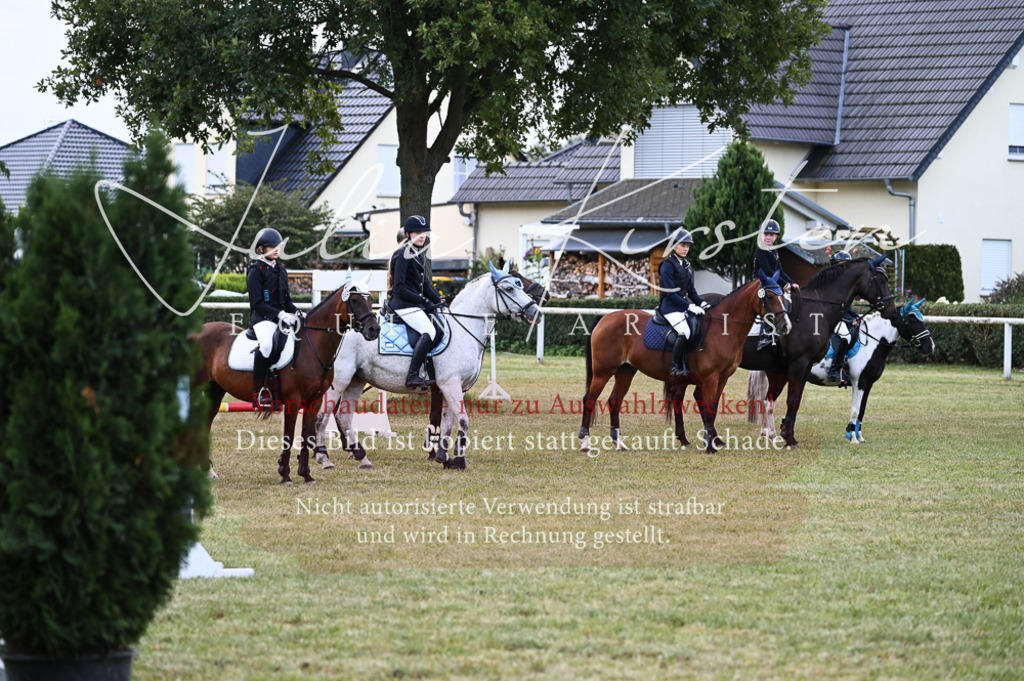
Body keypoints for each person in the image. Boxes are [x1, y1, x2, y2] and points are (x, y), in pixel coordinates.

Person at [246, 227, 300, 410]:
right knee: (267, 345)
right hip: (262, 319)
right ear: (261, 249)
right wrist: (280, 314)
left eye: (277, 246)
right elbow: (257, 303)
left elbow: (287, 301)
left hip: (281, 319)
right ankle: (258, 391)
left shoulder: (281, 270)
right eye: (271, 247)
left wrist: (298, 313)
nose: (276, 249)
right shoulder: (256, 270)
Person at [388, 215, 444, 390]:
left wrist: (439, 299)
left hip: (414, 304)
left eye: (424, 233)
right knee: (429, 330)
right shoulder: (402, 254)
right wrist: (423, 301)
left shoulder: (418, 254)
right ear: (408, 234)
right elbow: (400, 288)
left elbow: (425, 284)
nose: (422, 236)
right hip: (403, 305)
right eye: (418, 233)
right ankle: (412, 376)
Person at [658, 228, 710, 376]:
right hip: (669, 307)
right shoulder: (667, 265)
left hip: (682, 306)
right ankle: (675, 367)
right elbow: (670, 292)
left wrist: (702, 303)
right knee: (685, 331)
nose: (686, 248)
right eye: (683, 245)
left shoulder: (687, 266)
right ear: (674, 246)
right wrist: (689, 306)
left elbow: (691, 291)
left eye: (687, 246)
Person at [752, 219, 797, 350]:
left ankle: (780, 329)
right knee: (769, 302)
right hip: (761, 282)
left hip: (772, 283)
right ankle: (765, 335)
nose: (768, 237)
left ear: (776, 236)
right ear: (761, 235)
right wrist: (784, 284)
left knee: (785, 303)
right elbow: (768, 272)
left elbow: (779, 271)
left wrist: (791, 283)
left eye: (771, 235)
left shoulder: (774, 252)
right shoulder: (761, 251)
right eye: (766, 234)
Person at [826, 250, 859, 383]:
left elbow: (846, 306)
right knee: (846, 336)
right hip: (829, 317)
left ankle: (846, 367)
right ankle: (834, 370)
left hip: (840, 317)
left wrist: (856, 317)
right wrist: (849, 320)